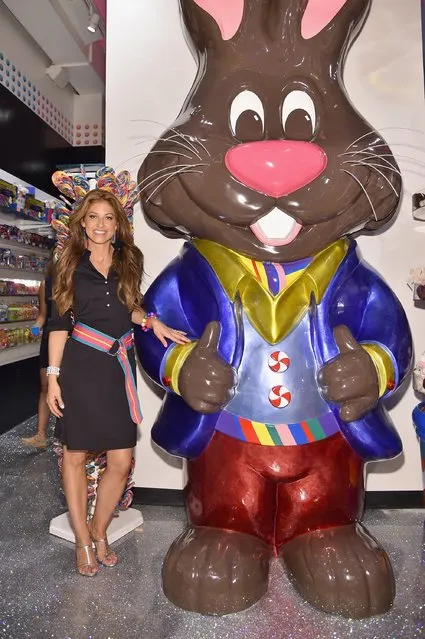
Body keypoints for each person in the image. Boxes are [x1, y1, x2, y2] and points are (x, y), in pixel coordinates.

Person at [46, 188, 190, 577]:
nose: (100, 225)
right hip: (79, 367)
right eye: (93, 217)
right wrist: (53, 378)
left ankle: (99, 529)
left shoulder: (129, 258)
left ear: (118, 224)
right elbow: (59, 324)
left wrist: (151, 320)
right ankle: (82, 540)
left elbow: (130, 305)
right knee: (75, 456)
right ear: (82, 222)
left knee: (121, 460)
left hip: (116, 368)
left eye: (108, 218)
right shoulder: (67, 262)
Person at [22, 262, 54, 449]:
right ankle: (41, 435)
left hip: (74, 337)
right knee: (45, 386)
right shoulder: (46, 282)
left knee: (70, 387)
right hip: (50, 338)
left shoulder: (80, 278)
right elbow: (43, 314)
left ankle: (69, 436)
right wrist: (36, 327)